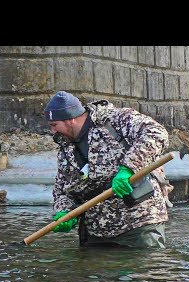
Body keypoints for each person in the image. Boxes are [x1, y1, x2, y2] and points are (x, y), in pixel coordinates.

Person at [44, 91, 172, 248]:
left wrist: (128, 168)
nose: (53, 132)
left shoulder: (115, 120)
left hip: (138, 223)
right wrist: (65, 211)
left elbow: (157, 133)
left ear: (70, 119)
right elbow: (62, 189)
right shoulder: (65, 147)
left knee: (143, 270)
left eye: (54, 125)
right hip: (96, 231)